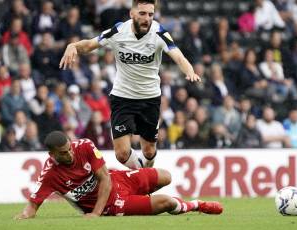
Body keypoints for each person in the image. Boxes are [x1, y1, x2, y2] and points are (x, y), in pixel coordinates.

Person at [59, 0, 201, 169]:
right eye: (142, 14)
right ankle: (144, 176)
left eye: (150, 14)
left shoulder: (159, 32)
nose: (147, 18)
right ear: (132, 14)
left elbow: (179, 57)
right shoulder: (119, 31)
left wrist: (189, 71)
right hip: (123, 97)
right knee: (122, 154)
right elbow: (90, 44)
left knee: (148, 151)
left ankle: (146, 170)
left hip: (149, 98)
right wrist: (73, 45)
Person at [14, 131, 222, 219]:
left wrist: (92, 214)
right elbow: (33, 205)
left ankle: (145, 201)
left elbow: (104, 178)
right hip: (111, 205)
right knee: (167, 203)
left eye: (69, 148)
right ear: (52, 155)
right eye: (63, 153)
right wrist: (24, 217)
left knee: (166, 176)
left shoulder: (84, 146)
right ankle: (195, 205)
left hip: (117, 180)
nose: (69, 153)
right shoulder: (50, 174)